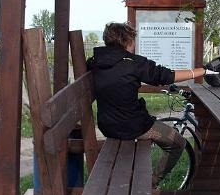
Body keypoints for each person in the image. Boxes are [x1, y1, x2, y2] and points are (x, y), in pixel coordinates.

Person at [87, 22, 211, 186]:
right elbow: (165, 76)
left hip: (107, 125)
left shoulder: (94, 62)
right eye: (133, 40)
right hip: (133, 127)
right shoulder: (132, 63)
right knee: (178, 143)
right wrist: (201, 71)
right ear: (127, 41)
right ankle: (152, 182)